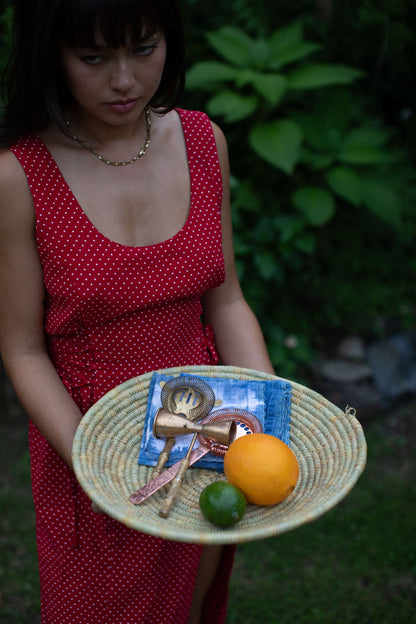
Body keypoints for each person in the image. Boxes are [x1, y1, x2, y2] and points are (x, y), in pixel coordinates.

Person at [0, 0, 275, 622]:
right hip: (92, 440)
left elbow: (226, 299)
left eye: (143, 49)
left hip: (206, 428)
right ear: (52, 54)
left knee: (188, 601)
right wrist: (95, 467)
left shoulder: (205, 142)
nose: (124, 80)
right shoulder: (19, 176)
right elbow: (20, 349)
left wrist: (270, 415)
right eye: (93, 57)